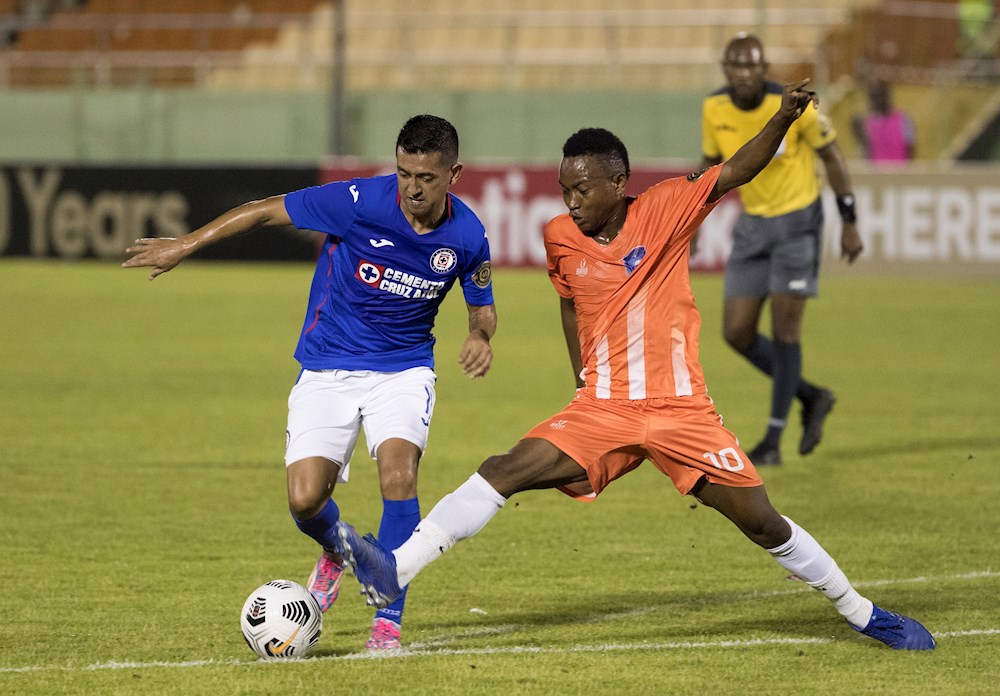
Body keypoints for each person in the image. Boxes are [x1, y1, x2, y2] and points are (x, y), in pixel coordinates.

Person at [330, 82, 935, 652]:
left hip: (680, 411)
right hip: (604, 408)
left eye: (583, 190)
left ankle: (863, 612)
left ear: (619, 183)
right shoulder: (560, 235)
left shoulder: (669, 207)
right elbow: (570, 303)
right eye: (565, 190)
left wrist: (782, 117)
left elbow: (737, 170)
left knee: (762, 522)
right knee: (503, 468)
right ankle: (396, 569)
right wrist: (581, 380)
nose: (572, 202)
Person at [122, 114, 498, 651]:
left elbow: (482, 308)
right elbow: (262, 212)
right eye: (403, 173)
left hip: (404, 368)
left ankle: (387, 622)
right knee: (304, 501)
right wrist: (187, 244)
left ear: (453, 173)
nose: (412, 188)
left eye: (426, 177)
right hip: (327, 366)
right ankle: (337, 551)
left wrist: (480, 338)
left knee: (399, 475)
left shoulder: (467, 236)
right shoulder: (359, 202)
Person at [700, 34, 864, 466]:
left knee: (786, 327)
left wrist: (849, 220)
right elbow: (710, 164)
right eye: (735, 66)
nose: (743, 73)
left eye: (751, 65)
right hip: (753, 226)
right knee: (736, 332)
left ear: (763, 67)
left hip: (798, 223)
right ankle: (811, 395)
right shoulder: (713, 108)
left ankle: (772, 440)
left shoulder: (793, 104)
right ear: (725, 70)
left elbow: (831, 156)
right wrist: (692, 218)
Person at [851, 80, 916, 163]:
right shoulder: (867, 121)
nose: (879, 100)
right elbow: (866, 147)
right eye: (874, 97)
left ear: (887, 96)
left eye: (881, 95)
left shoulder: (903, 119)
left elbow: (910, 148)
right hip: (876, 172)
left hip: (900, 171)